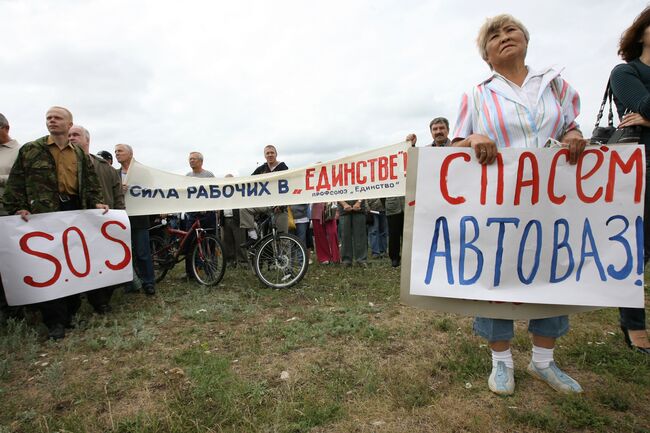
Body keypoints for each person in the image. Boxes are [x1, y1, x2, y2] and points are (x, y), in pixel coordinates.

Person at [452, 15, 587, 395]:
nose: (504, 37)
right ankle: (502, 363)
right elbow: (455, 149)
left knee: (552, 271)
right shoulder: (477, 94)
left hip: (550, 201)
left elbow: (569, 126)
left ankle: (544, 361)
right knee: (497, 274)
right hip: (500, 204)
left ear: (525, 39)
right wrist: (475, 136)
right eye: (494, 36)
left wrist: (574, 134)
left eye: (510, 31)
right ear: (487, 57)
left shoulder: (554, 84)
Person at [3, 107, 108, 339]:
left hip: (73, 212)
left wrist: (98, 203)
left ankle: (70, 312)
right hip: (43, 214)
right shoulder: (31, 150)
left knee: (72, 262)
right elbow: (16, 182)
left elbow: (90, 184)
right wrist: (17, 207)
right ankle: (55, 321)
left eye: (57, 117)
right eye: (49, 118)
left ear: (70, 123)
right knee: (49, 266)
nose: (52, 121)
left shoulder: (79, 155)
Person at [609, 6, 650, 355]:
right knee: (640, 249)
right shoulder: (625, 72)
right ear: (640, 34)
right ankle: (634, 325)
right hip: (643, 168)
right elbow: (641, 104)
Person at [69, 125, 124, 313]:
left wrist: (120, 218)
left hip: (102, 223)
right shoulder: (58, 164)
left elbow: (117, 195)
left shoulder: (103, 167)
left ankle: (101, 301)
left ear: (87, 140)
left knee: (101, 262)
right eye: (69, 135)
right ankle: (72, 305)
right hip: (71, 225)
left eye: (76, 135)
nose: (71, 138)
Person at [115, 143, 156, 295]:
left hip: (139, 219)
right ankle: (130, 282)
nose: (117, 154)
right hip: (120, 219)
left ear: (130, 154)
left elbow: (152, 191)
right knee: (124, 253)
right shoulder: (114, 173)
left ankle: (148, 282)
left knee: (142, 252)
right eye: (115, 151)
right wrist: (119, 190)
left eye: (120, 151)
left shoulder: (142, 173)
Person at [240, 145, 289, 247]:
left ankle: (286, 262)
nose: (270, 155)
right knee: (244, 209)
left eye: (272, 152)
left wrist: (282, 205)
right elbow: (249, 182)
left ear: (276, 154)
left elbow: (288, 188)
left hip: (279, 207)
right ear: (264, 155)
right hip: (265, 205)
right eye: (267, 153)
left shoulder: (283, 168)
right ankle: (253, 235)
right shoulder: (261, 169)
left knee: (283, 239)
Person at [0, 113, 22, 322]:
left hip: (9, 214)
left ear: (5, 128)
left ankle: (17, 306)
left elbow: (24, 179)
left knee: (11, 260)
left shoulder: (19, 151)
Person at [184, 151, 217, 279]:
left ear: (201, 161)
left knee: (210, 243)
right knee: (190, 243)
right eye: (190, 159)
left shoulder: (209, 175)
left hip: (207, 214)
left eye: (194, 159)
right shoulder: (187, 176)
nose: (191, 161)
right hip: (192, 215)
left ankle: (211, 272)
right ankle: (190, 272)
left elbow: (216, 193)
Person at [219, 174, 246, 267]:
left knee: (240, 241)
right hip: (225, 219)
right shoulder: (221, 192)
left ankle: (242, 262)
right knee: (227, 242)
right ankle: (230, 261)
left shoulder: (238, 191)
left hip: (237, 219)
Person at [337, 199, 368, 267]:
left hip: (359, 209)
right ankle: (346, 260)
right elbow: (335, 191)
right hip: (344, 210)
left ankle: (361, 260)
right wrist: (343, 203)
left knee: (360, 235)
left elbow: (364, 190)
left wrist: (359, 202)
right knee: (345, 235)